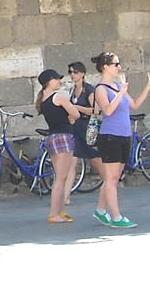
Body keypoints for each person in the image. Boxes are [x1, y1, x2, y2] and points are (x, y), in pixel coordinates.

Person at [90, 53, 150, 229]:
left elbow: (134, 105)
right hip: (110, 137)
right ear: (105, 67)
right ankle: (116, 216)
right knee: (111, 179)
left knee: (114, 178)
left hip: (124, 136)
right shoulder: (101, 89)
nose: (119, 67)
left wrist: (147, 87)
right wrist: (121, 93)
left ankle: (101, 210)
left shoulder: (118, 86)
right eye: (115, 64)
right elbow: (108, 111)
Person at [36, 69, 82, 224]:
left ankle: (60, 211)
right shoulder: (58, 97)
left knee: (60, 177)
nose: (59, 81)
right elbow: (76, 114)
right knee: (61, 178)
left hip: (52, 137)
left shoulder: (43, 100)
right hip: (63, 137)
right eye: (56, 79)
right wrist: (70, 117)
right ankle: (54, 214)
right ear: (49, 81)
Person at [66, 61, 100, 201]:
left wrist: (77, 108)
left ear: (83, 74)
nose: (72, 75)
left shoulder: (89, 90)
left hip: (87, 128)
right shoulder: (72, 90)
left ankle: (110, 182)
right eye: (71, 72)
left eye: (75, 72)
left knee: (95, 160)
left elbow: (96, 110)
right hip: (76, 128)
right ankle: (65, 196)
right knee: (72, 163)